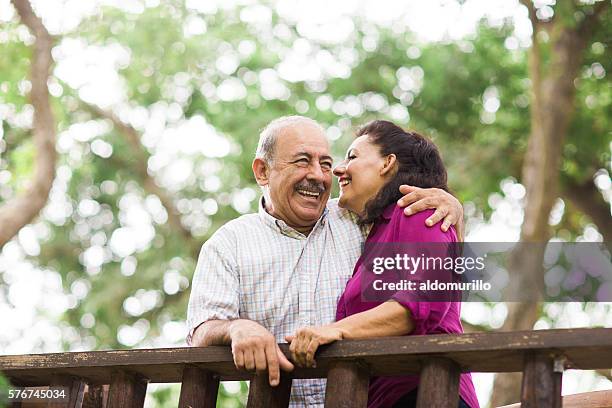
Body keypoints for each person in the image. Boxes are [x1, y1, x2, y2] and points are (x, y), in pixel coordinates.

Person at [186, 116, 464, 407]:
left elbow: (434, 279)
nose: (319, 176)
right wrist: (236, 328)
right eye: (302, 161)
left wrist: (452, 209)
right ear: (263, 171)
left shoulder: (362, 217)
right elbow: (201, 331)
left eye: (326, 164)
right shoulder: (228, 244)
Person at [286, 120, 479, 407]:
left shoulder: (417, 212)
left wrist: (333, 330)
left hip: (428, 393)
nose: (339, 169)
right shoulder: (377, 232)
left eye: (352, 156)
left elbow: (420, 303)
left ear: (388, 164)